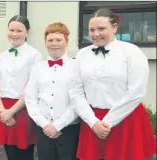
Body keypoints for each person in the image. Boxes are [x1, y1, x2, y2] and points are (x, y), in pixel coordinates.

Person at [70, 8, 156, 160]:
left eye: (101, 29)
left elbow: (136, 91)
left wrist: (108, 122)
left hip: (125, 119)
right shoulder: (81, 54)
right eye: (91, 30)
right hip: (93, 120)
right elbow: (75, 91)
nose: (96, 34)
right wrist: (93, 122)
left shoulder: (132, 52)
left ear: (114, 27)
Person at [0, 15, 42, 160]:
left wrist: (11, 111)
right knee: (10, 154)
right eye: (11, 30)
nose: (14, 34)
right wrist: (2, 111)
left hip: (23, 109)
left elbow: (32, 88)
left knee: (24, 155)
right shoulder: (2, 56)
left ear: (27, 33)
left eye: (19, 30)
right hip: (3, 108)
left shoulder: (35, 55)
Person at [25, 22, 80, 160]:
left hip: (68, 129)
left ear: (66, 41)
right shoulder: (37, 68)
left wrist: (58, 125)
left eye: (58, 40)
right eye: (50, 40)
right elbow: (30, 99)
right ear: (45, 43)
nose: (54, 43)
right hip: (43, 129)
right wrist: (45, 125)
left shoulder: (77, 66)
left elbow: (79, 101)